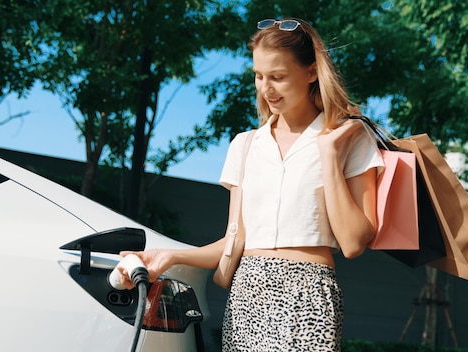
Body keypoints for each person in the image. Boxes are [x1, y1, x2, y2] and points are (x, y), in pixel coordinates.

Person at [117, 17, 384, 351]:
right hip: (247, 294)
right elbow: (235, 241)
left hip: (308, 296)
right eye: (259, 76)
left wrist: (329, 155)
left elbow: (354, 242)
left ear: (312, 71)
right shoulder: (246, 145)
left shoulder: (349, 139)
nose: (266, 88)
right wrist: (170, 255)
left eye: (278, 77)